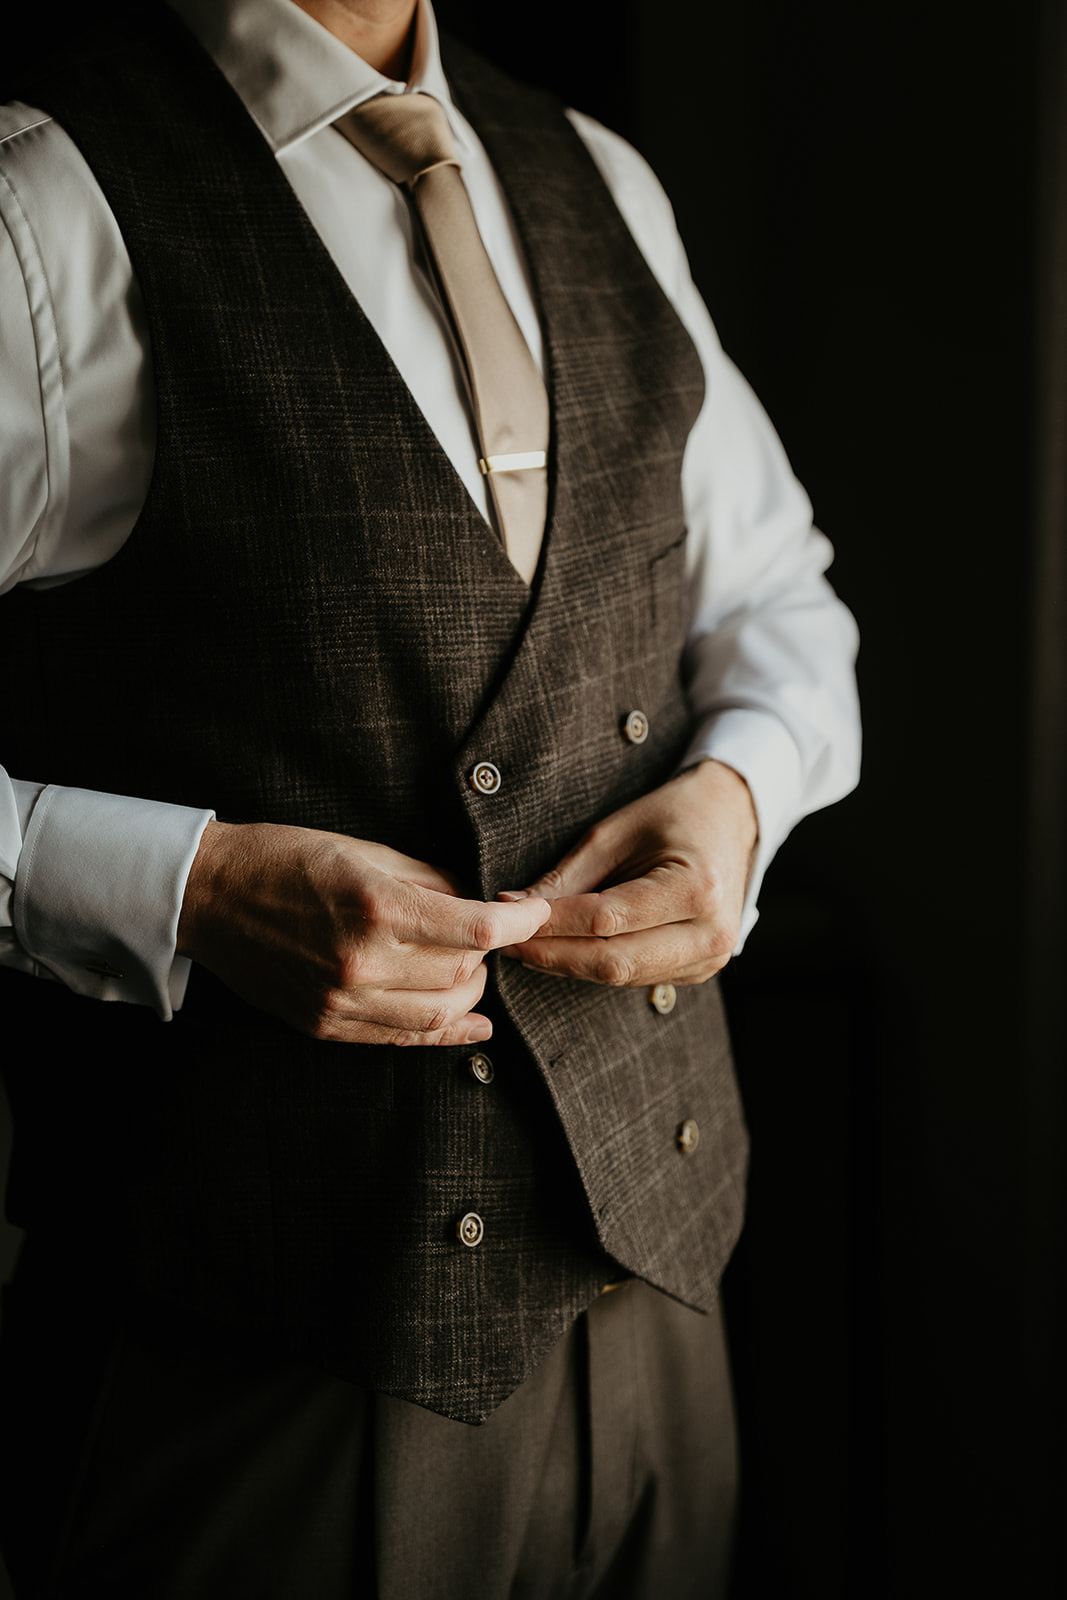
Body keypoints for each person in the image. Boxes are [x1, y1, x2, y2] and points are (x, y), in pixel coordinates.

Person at [0, 0, 861, 1593]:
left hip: (667, 1306)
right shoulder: (41, 209)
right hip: (273, 1362)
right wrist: (176, 886)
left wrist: (740, 799)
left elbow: (778, 599)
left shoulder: (598, 178)